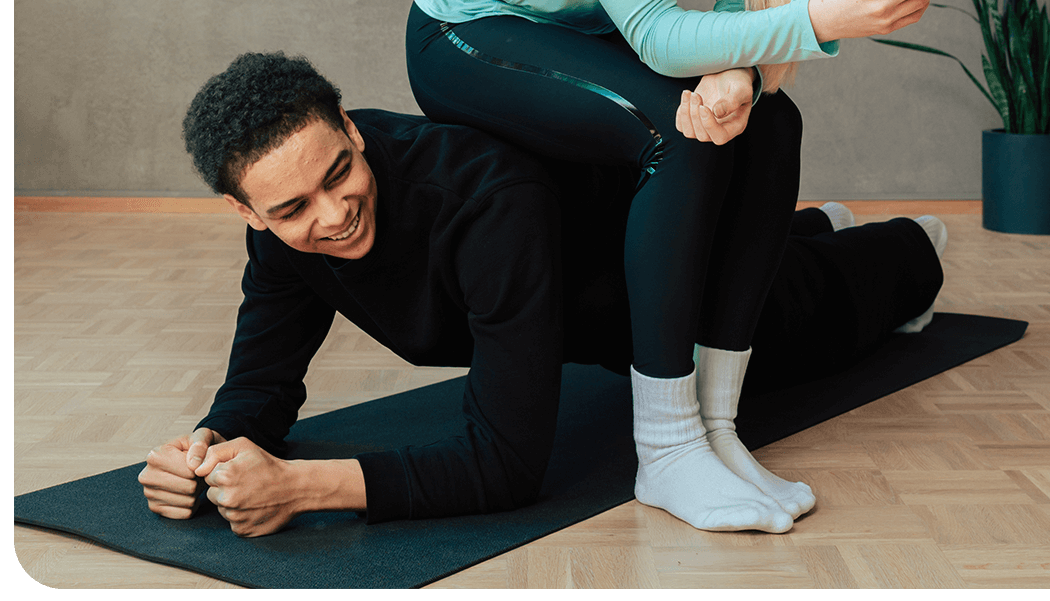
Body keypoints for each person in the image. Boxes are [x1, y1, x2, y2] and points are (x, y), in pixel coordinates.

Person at [405, 0, 953, 532]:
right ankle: (663, 450)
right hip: (470, 31)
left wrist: (735, 78)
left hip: (594, 31)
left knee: (770, 122)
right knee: (678, 130)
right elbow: (661, 36)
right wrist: (819, 17)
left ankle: (717, 428)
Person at [139, 52, 945, 538]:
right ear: (245, 212)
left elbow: (505, 466)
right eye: (289, 211)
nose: (333, 211)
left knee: (809, 319)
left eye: (339, 172)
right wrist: (205, 449)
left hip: (654, 300)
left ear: (350, 129)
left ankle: (910, 244)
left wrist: (304, 488)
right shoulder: (280, 228)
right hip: (565, 287)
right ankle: (806, 228)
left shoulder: (485, 199)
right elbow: (262, 383)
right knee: (780, 268)